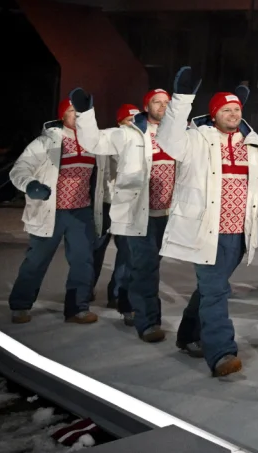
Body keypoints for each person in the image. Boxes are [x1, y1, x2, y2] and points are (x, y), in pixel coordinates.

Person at [155, 70, 258, 377]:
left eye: (236, 109)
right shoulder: (196, 139)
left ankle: (188, 334)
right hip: (205, 231)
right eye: (226, 109)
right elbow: (168, 140)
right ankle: (221, 352)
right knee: (216, 292)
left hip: (239, 234)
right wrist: (182, 100)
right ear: (213, 115)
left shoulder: (253, 145)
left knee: (209, 290)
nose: (232, 114)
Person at [75, 92, 177, 343]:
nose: (162, 107)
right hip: (137, 213)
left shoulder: (180, 136)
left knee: (148, 265)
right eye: (157, 102)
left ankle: (128, 301)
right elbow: (94, 142)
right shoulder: (129, 133)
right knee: (144, 267)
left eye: (167, 103)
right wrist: (85, 113)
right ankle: (148, 321)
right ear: (146, 106)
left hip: (169, 214)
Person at [9, 95, 107, 325]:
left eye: (81, 112)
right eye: (73, 111)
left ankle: (77, 308)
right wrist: (30, 185)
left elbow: (107, 175)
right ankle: (21, 304)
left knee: (83, 261)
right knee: (36, 261)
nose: (77, 116)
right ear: (62, 115)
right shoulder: (46, 142)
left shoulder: (95, 143)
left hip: (81, 211)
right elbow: (20, 169)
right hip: (51, 211)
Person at [89, 103, 138, 321]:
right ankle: (85, 289)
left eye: (137, 121)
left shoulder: (141, 144)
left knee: (127, 253)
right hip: (105, 204)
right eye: (130, 121)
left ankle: (117, 294)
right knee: (95, 250)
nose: (134, 125)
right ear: (119, 123)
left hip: (128, 206)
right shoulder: (106, 140)